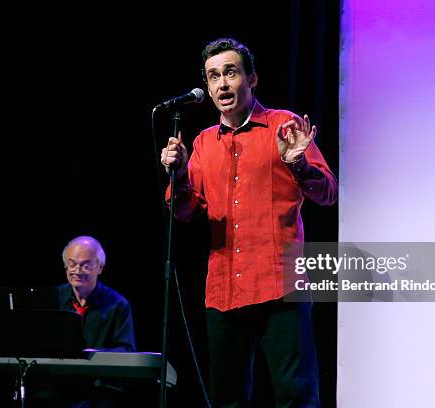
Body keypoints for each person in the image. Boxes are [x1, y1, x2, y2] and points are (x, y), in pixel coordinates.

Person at [160, 38, 337, 407]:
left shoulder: (283, 125)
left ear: (251, 78)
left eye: (230, 72)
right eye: (213, 76)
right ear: (207, 88)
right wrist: (177, 177)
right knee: (227, 399)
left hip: (280, 285)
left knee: (296, 397)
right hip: (224, 290)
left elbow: (328, 193)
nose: (222, 83)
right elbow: (188, 211)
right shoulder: (204, 143)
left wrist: (298, 164)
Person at [31, 236, 136, 407]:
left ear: (100, 268)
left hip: (98, 388)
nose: (77, 270)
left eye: (85, 265)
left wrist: (90, 355)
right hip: (56, 387)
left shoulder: (118, 305)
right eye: (72, 264)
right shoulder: (52, 299)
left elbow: (126, 351)